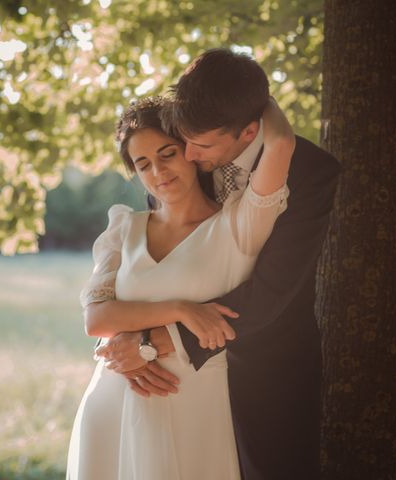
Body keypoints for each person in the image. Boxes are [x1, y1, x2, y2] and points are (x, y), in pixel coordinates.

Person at [96, 48, 341, 480]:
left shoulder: (311, 172)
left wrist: (156, 340)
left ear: (250, 131)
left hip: (265, 370)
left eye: (202, 145)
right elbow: (155, 262)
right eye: (180, 142)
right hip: (175, 382)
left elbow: (272, 291)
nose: (186, 156)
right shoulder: (182, 146)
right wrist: (124, 346)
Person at [66, 94, 295, 479]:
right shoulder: (124, 228)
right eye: (143, 164)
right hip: (115, 402)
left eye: (167, 153)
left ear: (189, 150)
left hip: (196, 406)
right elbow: (97, 319)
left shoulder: (239, 225)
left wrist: (254, 92)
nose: (158, 171)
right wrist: (184, 309)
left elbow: (282, 143)